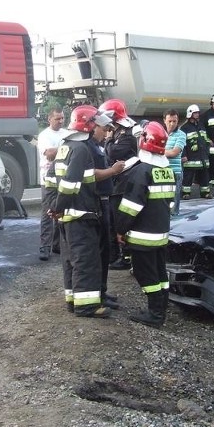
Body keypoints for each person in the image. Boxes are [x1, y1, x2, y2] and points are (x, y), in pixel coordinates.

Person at [48, 105, 111, 318]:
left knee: (70, 261)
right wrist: (57, 207)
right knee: (86, 260)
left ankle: (73, 300)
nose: (97, 127)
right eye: (94, 123)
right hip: (80, 214)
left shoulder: (65, 145)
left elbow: (51, 178)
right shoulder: (82, 149)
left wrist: (54, 207)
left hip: (67, 216)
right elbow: (69, 184)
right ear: (88, 124)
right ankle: (86, 306)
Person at [115, 121, 175, 328]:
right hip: (161, 234)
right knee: (160, 273)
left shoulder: (141, 172)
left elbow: (130, 206)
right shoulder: (167, 171)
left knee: (145, 273)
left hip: (142, 236)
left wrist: (120, 230)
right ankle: (161, 309)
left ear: (144, 141)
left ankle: (155, 315)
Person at [87, 111, 125, 309]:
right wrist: (112, 171)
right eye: (104, 128)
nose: (108, 132)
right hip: (97, 202)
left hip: (104, 200)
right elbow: (91, 175)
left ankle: (102, 291)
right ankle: (98, 294)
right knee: (100, 250)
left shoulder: (97, 146)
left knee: (105, 250)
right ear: (93, 128)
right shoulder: (88, 148)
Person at [101, 98, 137, 270]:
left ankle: (126, 257)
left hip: (124, 182)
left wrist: (107, 140)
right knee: (114, 220)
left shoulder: (126, 135)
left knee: (122, 220)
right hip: (118, 181)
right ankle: (118, 255)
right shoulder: (120, 132)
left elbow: (112, 153)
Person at [37, 106, 67, 261]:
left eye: (62, 118)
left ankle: (57, 245)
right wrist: (66, 148)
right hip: (48, 180)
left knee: (61, 211)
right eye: (57, 118)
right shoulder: (44, 136)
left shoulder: (67, 133)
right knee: (47, 213)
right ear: (50, 119)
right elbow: (49, 155)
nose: (61, 121)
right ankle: (44, 247)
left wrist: (59, 150)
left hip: (63, 179)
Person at [180, 104, 211, 199]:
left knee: (204, 176)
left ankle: (205, 193)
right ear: (190, 114)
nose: (197, 114)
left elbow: (205, 139)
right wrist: (183, 155)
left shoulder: (201, 126)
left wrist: (208, 147)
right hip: (190, 158)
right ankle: (186, 193)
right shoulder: (184, 128)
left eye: (198, 113)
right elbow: (182, 143)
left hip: (202, 157)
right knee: (188, 176)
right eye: (195, 113)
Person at [163, 109, 186, 215]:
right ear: (164, 121)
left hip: (175, 172)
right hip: (162, 172)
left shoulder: (181, 135)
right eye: (169, 121)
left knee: (173, 205)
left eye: (174, 121)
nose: (172, 124)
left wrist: (157, 150)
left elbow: (174, 152)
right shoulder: (161, 134)